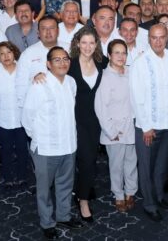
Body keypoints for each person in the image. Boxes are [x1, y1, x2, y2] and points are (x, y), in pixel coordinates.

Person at [22, 46, 84, 238]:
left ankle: (64, 215)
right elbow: (27, 117)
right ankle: (47, 222)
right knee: (44, 188)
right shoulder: (39, 84)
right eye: (56, 60)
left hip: (68, 143)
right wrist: (39, 138)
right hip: (46, 147)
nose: (62, 63)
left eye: (65, 59)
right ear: (48, 64)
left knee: (66, 183)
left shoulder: (72, 82)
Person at [129, 24, 168, 222]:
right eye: (153, 38)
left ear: (167, 37)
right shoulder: (140, 62)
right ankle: (149, 203)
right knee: (147, 167)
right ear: (148, 39)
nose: (158, 41)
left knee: (161, 166)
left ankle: (158, 196)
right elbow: (136, 97)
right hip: (148, 126)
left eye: (161, 37)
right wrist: (146, 125)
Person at [65, 27, 106, 221]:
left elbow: (120, 68)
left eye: (91, 43)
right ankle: (83, 200)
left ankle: (82, 188)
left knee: (88, 159)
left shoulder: (101, 62)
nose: (88, 47)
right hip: (75, 118)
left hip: (97, 119)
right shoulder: (70, 64)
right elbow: (52, 73)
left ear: (96, 44)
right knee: (87, 159)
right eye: (84, 43)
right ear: (77, 44)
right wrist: (39, 75)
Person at [94, 40, 137, 213]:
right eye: (116, 53)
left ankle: (131, 192)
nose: (120, 56)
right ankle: (119, 195)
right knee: (116, 165)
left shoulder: (131, 72)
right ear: (109, 55)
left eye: (123, 53)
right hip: (114, 129)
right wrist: (111, 131)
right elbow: (100, 107)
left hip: (131, 126)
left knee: (131, 162)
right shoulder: (104, 76)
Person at [0, 42, 29, 189]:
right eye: (2, 53)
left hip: (22, 117)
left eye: (8, 52)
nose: (6, 56)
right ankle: (8, 177)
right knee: (6, 149)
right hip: (2, 118)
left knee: (22, 149)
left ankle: (22, 176)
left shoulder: (23, 68)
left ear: (14, 53)